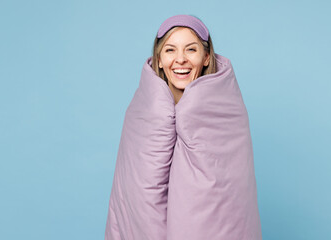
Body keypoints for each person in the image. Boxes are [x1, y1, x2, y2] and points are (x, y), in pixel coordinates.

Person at [105, 14, 262, 240]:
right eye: (170, 50)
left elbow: (229, 196)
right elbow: (134, 191)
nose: (180, 59)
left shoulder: (227, 111)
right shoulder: (142, 111)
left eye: (190, 50)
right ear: (158, 59)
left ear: (206, 57)